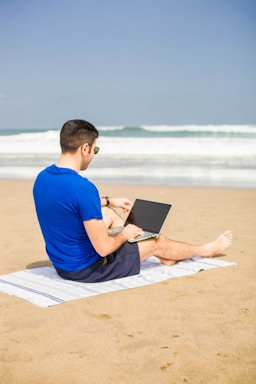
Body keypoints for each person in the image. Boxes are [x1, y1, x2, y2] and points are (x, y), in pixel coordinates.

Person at [33, 119, 233, 283]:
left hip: (62, 264)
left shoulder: (43, 178)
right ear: (85, 148)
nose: (94, 155)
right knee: (157, 240)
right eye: (96, 150)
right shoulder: (83, 188)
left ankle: (147, 248)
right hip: (87, 270)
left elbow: (67, 204)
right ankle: (204, 250)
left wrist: (110, 201)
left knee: (110, 214)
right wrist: (125, 234)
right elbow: (103, 249)